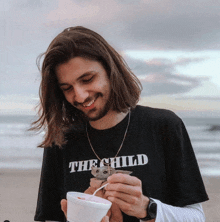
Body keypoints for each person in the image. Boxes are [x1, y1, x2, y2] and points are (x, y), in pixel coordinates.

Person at [33, 26, 208, 222]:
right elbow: (50, 218)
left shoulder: (164, 126)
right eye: (67, 88)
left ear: (110, 70)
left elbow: (196, 217)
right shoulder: (61, 140)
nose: (80, 96)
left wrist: (146, 208)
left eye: (87, 79)